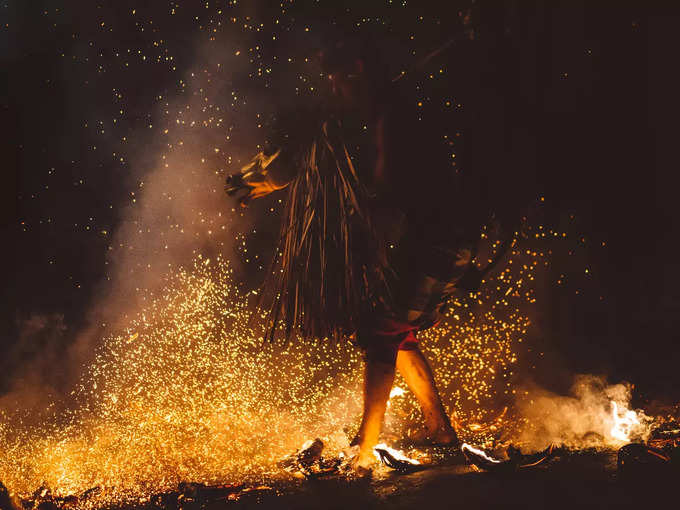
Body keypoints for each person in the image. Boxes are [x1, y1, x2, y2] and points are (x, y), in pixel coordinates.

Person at [226, 40, 487, 470]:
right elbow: (300, 163)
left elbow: (389, 192)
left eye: (338, 80)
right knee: (399, 334)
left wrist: (367, 239)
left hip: (436, 236)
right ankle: (439, 429)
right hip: (435, 236)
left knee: (382, 331)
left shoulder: (392, 118)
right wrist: (265, 180)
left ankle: (365, 451)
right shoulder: (372, 116)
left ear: (358, 71)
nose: (333, 90)